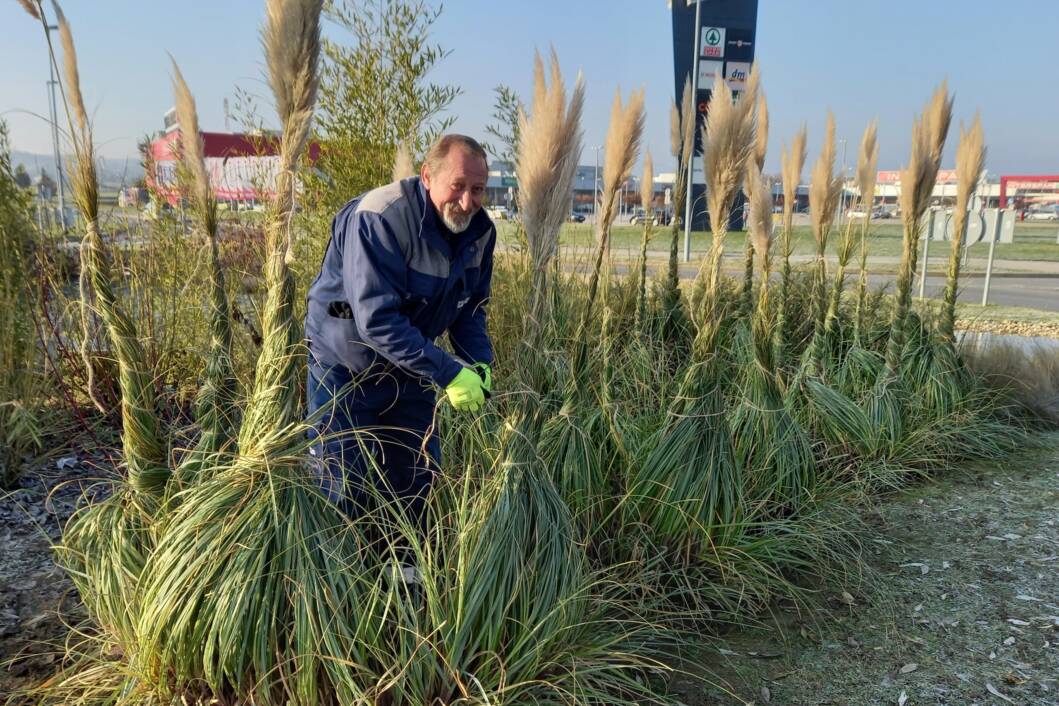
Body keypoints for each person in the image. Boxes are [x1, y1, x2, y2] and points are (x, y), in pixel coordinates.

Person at [304, 134, 495, 537]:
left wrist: (478, 362)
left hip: (410, 366)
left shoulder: (480, 234)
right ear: (427, 176)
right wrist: (448, 372)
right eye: (457, 186)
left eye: (477, 189)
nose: (467, 202)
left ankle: (405, 579)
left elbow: (470, 309)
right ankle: (345, 589)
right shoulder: (380, 218)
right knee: (342, 487)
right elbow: (376, 320)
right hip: (345, 367)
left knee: (415, 482)